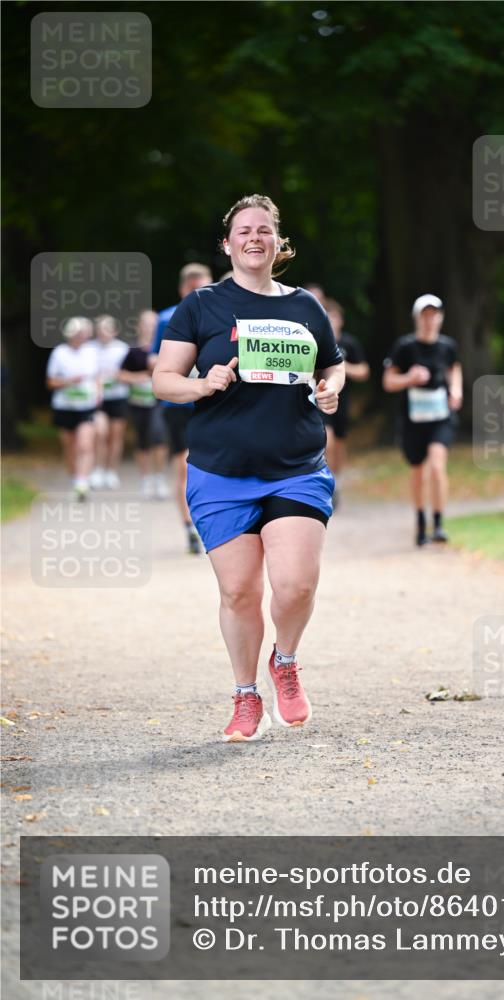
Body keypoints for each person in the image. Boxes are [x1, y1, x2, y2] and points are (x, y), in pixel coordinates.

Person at [153, 194, 344, 742]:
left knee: (296, 585)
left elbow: (333, 365)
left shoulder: (305, 306)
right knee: (239, 591)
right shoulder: (202, 305)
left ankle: (284, 660)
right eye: (244, 230)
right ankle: (245, 694)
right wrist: (202, 384)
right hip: (220, 470)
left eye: (265, 230)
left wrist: (332, 389)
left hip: (295, 465)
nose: (254, 238)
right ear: (227, 243)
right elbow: (164, 379)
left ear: (278, 242)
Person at [383, 294, 462, 546]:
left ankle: (438, 524)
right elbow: (388, 382)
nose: (430, 320)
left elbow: (454, 369)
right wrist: (409, 378)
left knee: (437, 467)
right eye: (425, 315)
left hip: (440, 418)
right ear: (417, 318)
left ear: (440, 318)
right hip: (413, 419)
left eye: (434, 315)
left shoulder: (448, 346)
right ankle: (420, 521)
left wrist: (456, 391)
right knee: (418, 471)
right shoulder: (405, 347)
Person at [151, 263, 213, 553]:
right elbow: (155, 362)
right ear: (181, 289)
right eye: (191, 290)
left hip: (214, 402)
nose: (197, 295)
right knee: (184, 466)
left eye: (202, 288)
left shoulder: (223, 315)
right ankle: (189, 526)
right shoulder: (167, 318)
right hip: (178, 403)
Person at [45, 317, 99, 501]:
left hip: (87, 406)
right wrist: (68, 381)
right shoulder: (59, 353)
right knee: (70, 447)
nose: (80, 337)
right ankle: (75, 478)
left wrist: (98, 393)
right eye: (77, 334)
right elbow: (50, 382)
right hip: (65, 406)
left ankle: (82, 482)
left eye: (83, 334)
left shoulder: (92, 351)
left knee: (85, 444)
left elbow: (97, 375)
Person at [118, 309, 169, 499]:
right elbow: (120, 374)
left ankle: (159, 477)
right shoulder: (133, 351)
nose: (150, 327)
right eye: (146, 323)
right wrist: (137, 377)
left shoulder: (165, 349)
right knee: (142, 440)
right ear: (139, 326)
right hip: (138, 402)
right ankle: (145, 479)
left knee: (159, 436)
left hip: (160, 402)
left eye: (153, 323)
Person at [322, 298, 369, 503]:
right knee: (327, 440)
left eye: (334, 318)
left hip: (343, 399)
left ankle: (336, 482)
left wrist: (341, 367)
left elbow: (363, 371)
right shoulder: (317, 341)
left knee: (339, 443)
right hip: (321, 399)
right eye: (327, 318)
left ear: (340, 320)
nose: (331, 322)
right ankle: (325, 482)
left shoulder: (350, 343)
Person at [90, 315, 129, 490]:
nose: (103, 332)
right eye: (100, 329)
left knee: (116, 436)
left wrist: (120, 376)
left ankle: (111, 471)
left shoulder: (123, 349)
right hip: (98, 398)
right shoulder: (89, 348)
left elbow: (130, 371)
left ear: (114, 330)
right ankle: (98, 470)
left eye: (106, 328)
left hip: (119, 396)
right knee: (100, 433)